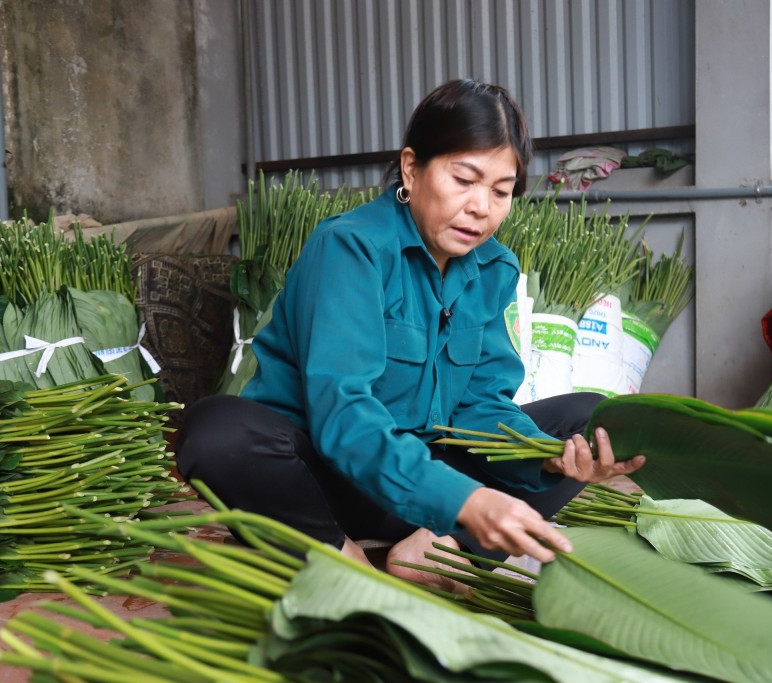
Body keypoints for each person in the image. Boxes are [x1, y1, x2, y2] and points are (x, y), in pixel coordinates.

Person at [175, 79, 645, 590]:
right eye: (464, 179)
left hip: (423, 483)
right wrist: (462, 499)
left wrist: (545, 454)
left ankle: (438, 548)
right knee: (216, 431)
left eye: (500, 191)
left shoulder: (494, 268)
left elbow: (480, 404)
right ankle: (332, 551)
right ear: (411, 167)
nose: (481, 207)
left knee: (586, 419)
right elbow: (343, 416)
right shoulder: (351, 248)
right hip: (321, 480)